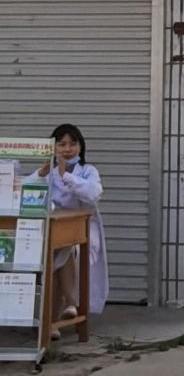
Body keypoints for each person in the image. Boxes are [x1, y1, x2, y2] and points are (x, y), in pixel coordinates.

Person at [41, 125, 109, 328]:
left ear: (81, 147)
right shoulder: (49, 174)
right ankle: (56, 319)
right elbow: (33, 195)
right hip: (55, 230)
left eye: (73, 143)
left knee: (66, 250)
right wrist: (39, 175)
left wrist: (67, 176)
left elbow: (93, 193)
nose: (67, 149)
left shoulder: (88, 171)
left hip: (85, 231)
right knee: (53, 255)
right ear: (53, 149)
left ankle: (64, 309)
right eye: (61, 144)